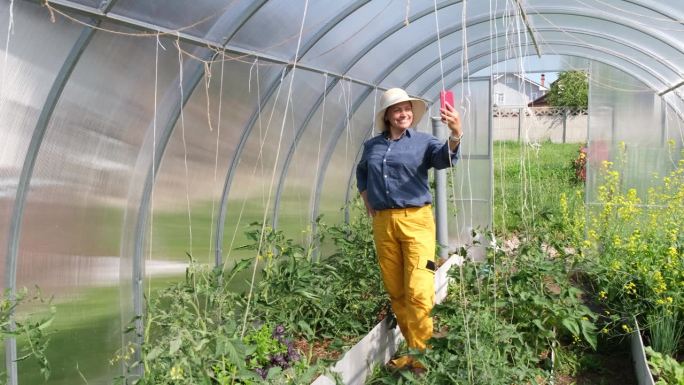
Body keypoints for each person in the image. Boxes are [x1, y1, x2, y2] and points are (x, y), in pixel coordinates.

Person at [355, 87, 462, 370]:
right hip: (384, 223)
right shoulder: (373, 146)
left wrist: (455, 134)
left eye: (407, 109)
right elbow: (362, 172)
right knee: (397, 289)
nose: (403, 114)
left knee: (418, 288)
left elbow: (445, 159)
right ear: (387, 116)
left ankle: (421, 355)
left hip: (416, 221)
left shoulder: (424, 142)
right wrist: (366, 198)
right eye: (397, 110)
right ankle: (414, 352)